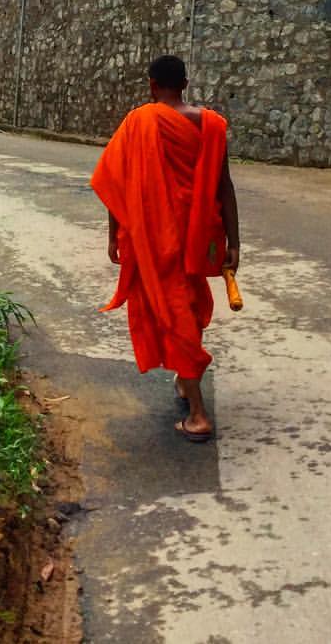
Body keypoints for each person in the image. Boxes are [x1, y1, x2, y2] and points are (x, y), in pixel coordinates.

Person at [90, 54, 240, 442]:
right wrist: (234, 242)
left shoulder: (139, 121)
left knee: (176, 317)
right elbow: (225, 186)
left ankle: (198, 414)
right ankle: (183, 380)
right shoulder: (212, 125)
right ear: (185, 84)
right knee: (187, 308)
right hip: (199, 239)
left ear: (152, 85)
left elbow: (115, 183)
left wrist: (113, 236)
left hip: (156, 239)